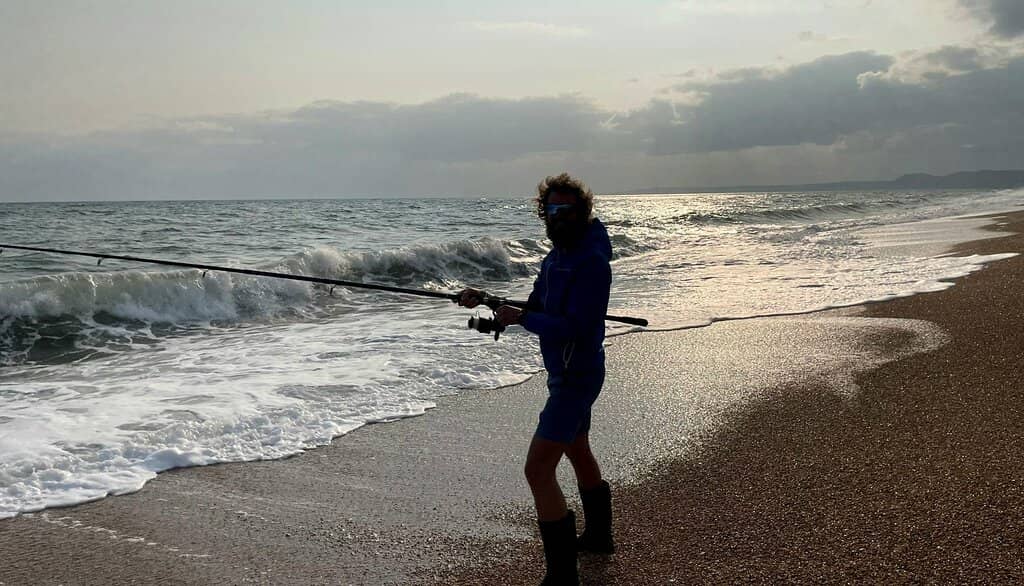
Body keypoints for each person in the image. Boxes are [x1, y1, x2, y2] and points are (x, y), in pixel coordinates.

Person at [459, 173, 614, 585]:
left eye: (569, 209)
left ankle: (563, 577)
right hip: (564, 372)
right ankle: (600, 537)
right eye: (553, 210)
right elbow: (536, 305)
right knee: (578, 448)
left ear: (584, 212)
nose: (560, 216)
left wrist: (524, 318)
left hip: (577, 375)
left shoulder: (592, 262)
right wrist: (491, 300)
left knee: (537, 470)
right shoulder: (556, 256)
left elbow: (577, 328)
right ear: (545, 214)